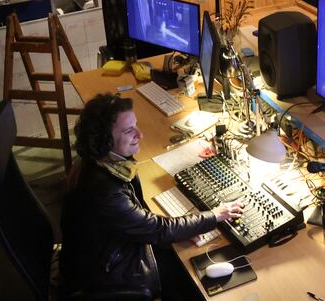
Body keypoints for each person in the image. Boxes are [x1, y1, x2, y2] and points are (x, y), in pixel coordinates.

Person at [60, 94, 244, 299]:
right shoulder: (104, 191)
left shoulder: (103, 162)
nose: (140, 134)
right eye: (129, 130)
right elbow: (158, 229)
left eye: (135, 125)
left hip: (109, 251)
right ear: (104, 140)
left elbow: (141, 220)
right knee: (195, 280)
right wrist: (215, 216)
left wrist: (183, 229)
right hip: (111, 275)